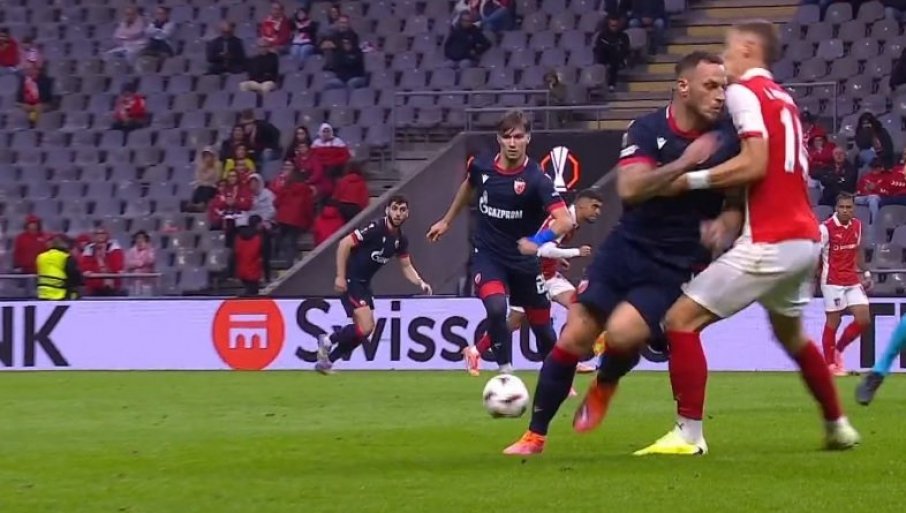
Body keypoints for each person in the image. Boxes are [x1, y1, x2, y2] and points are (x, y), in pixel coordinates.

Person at [612, 20, 858, 457]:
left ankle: (689, 434)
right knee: (792, 336)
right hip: (805, 239)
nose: (724, 64)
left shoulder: (744, 92)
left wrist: (692, 180)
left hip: (770, 238)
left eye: (728, 51)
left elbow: (755, 163)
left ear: (747, 49)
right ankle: (838, 425)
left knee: (680, 320)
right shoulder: (784, 98)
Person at [501, 51, 740, 456]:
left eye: (724, 87)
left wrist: (727, 225)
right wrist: (685, 163)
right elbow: (630, 187)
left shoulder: (728, 137)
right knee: (576, 334)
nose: (720, 95)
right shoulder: (647, 128)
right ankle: (534, 435)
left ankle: (605, 383)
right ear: (683, 87)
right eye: (711, 86)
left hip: (675, 261)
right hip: (626, 246)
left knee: (625, 333)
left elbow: (737, 198)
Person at [428, 110, 575, 376]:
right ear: (499, 139)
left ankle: (557, 380)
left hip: (523, 261)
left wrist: (537, 240)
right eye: (507, 137)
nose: (512, 143)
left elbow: (564, 220)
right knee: (496, 308)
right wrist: (447, 221)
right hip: (489, 255)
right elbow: (468, 186)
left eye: (518, 137)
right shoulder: (482, 166)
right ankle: (505, 371)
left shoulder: (536, 179)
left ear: (528, 138)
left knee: (543, 330)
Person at [463, 188, 604, 376]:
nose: (598, 212)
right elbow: (544, 249)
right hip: (531, 276)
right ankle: (474, 351)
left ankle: (569, 359)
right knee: (513, 322)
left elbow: (546, 247)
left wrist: (558, 257)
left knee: (580, 309)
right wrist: (575, 252)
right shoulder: (564, 220)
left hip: (549, 276)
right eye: (595, 206)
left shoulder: (570, 221)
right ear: (581, 205)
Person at [315, 196, 432, 373]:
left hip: (364, 284)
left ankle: (328, 361)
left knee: (365, 330)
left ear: (407, 213)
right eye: (395, 208)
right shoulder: (376, 228)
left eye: (402, 210)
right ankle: (328, 340)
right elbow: (344, 244)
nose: (398, 213)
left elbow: (406, 266)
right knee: (366, 326)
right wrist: (340, 276)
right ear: (387, 210)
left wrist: (420, 282)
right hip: (351, 279)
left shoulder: (400, 240)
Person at [818, 193, 871, 377]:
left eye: (849, 207)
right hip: (832, 280)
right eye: (842, 207)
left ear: (854, 208)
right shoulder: (825, 228)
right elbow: (815, 253)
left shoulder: (857, 225)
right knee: (834, 321)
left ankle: (838, 351)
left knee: (864, 319)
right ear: (836, 208)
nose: (845, 210)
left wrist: (865, 272)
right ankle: (830, 365)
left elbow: (858, 250)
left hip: (851, 278)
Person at [36, 235, 82, 301]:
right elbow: (73, 274)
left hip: (42, 293)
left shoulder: (41, 256)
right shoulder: (65, 257)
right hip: (59, 293)